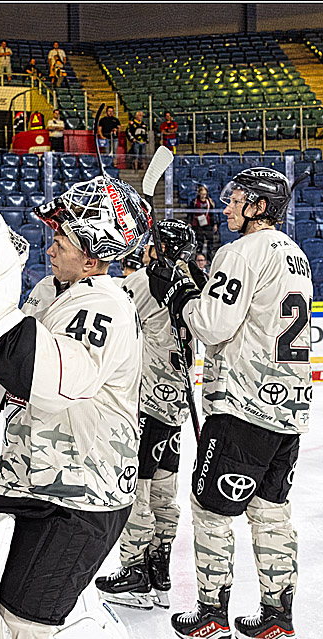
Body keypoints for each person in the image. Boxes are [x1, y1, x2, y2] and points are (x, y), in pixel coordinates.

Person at [0, 178, 152, 639]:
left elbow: (63, 379)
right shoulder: (51, 296)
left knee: (14, 637)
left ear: (95, 255)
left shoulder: (106, 304)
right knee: (7, 625)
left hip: (78, 499)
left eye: (66, 236)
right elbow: (28, 382)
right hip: (36, 484)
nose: (52, 241)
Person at [147, 168, 310, 639]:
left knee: (213, 511)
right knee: (272, 511)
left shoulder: (239, 251)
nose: (228, 205)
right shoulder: (295, 254)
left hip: (243, 405)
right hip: (289, 409)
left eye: (238, 198)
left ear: (260, 206)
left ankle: (211, 614)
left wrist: (179, 299)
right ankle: (276, 617)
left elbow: (213, 324)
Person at [96, 219, 197, 611]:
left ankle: (135, 570)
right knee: (164, 486)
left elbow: (107, 304)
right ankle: (159, 567)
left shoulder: (140, 282)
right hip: (175, 405)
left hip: (145, 402)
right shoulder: (193, 285)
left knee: (136, 485)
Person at [188, 184, 217, 258]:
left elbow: (212, 214)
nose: (204, 195)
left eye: (205, 194)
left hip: (208, 223)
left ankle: (209, 258)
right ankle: (199, 257)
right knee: (199, 242)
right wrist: (189, 222)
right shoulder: (194, 202)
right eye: (202, 194)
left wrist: (215, 224)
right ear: (199, 193)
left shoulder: (209, 202)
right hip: (197, 224)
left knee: (210, 242)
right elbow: (190, 213)